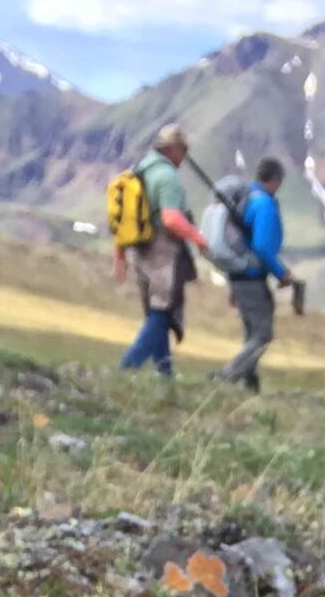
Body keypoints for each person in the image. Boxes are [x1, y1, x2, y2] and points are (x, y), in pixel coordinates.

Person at [117, 124, 209, 377]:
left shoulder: (138, 170)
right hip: (162, 251)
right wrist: (198, 238)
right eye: (184, 150)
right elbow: (171, 219)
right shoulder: (167, 177)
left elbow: (122, 216)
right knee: (162, 312)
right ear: (175, 149)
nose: (185, 156)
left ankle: (164, 374)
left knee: (157, 311)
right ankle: (127, 368)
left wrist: (120, 255)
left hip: (139, 249)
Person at [216, 158, 290, 394]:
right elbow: (262, 247)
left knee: (251, 333)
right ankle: (227, 376)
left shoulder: (244, 199)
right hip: (252, 276)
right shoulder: (264, 204)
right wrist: (281, 273)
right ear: (276, 180)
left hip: (237, 274)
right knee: (263, 334)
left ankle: (251, 385)